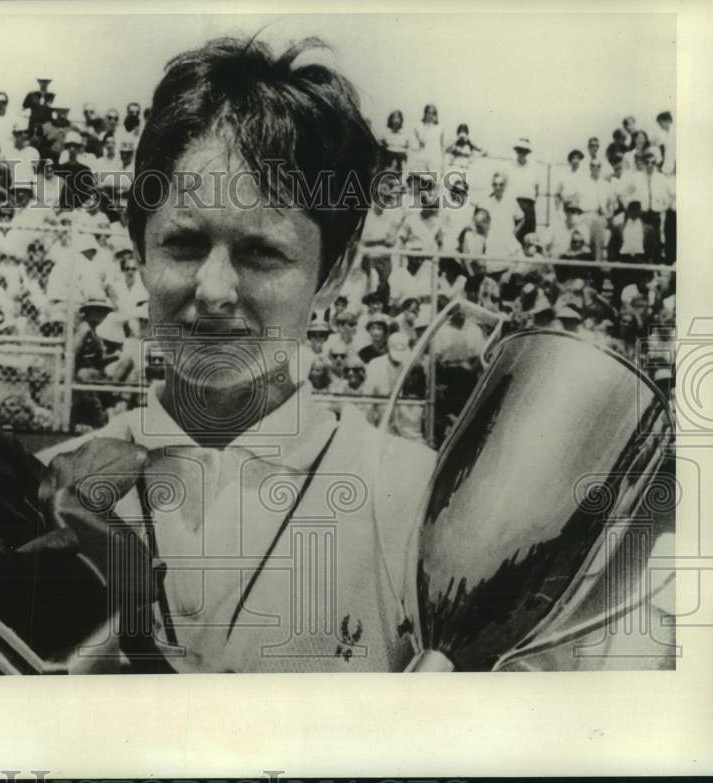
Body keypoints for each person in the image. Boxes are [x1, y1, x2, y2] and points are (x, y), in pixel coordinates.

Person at [37, 37, 444, 674]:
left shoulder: (416, 506)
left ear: (333, 272)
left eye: (262, 254)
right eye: (185, 244)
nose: (215, 290)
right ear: (140, 247)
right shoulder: (48, 492)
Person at [507, 137, 539, 243]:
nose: (522, 153)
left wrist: (530, 204)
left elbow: (536, 189)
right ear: (516, 151)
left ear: (527, 152)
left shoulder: (533, 167)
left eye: (524, 151)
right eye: (520, 150)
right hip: (515, 204)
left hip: (529, 205)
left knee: (530, 237)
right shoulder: (510, 166)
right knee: (515, 236)